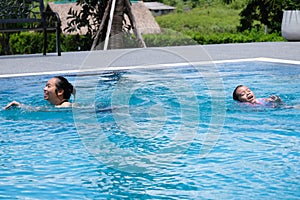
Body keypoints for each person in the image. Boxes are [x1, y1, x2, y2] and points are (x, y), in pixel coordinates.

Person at [4, 76, 75, 109]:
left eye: (48, 86)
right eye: (45, 86)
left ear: (60, 92)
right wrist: (19, 105)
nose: (44, 89)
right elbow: (36, 109)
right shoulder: (54, 106)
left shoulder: (66, 105)